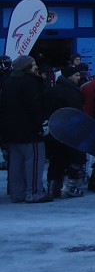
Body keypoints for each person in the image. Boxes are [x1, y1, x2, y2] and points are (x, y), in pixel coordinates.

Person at [1, 55, 53, 203]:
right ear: (28, 67)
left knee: (15, 164)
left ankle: (17, 193)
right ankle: (34, 192)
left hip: (12, 130)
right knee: (34, 161)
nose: (36, 67)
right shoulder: (31, 83)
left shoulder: (8, 82)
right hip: (30, 131)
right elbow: (34, 106)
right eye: (34, 64)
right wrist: (42, 124)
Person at [44, 63, 89, 198]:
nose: (78, 77)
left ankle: (53, 186)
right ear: (69, 76)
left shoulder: (54, 89)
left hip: (55, 131)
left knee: (56, 160)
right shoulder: (71, 91)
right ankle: (67, 187)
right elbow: (76, 112)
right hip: (69, 132)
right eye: (76, 75)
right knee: (71, 158)